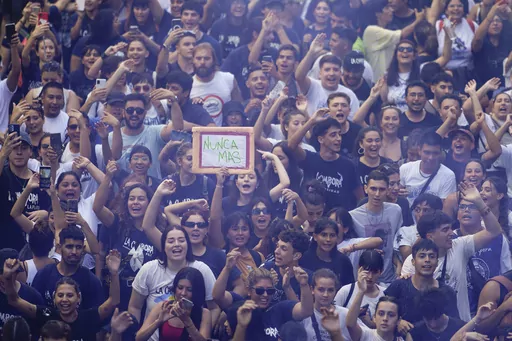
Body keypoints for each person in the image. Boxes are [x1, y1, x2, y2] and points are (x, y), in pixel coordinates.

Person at [400, 182, 504, 321]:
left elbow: (494, 231)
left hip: (460, 326)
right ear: (430, 236)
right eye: (445, 230)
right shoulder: (411, 262)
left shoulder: (459, 246)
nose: (451, 233)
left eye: (450, 228)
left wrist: (479, 202)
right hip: (427, 329)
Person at [3, 250, 120, 341]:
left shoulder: (88, 318)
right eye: (60, 295)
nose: (64, 300)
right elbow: (14, 300)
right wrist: (8, 277)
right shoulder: (46, 315)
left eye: (69, 295)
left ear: (78, 297)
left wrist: (114, 273)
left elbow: (113, 301)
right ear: (54, 297)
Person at [128, 225, 218, 341]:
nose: (176, 244)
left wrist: (202, 326)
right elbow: (135, 306)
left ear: (188, 245)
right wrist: (158, 321)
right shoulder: (149, 269)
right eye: (171, 241)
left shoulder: (202, 269)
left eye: (181, 240)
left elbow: (214, 307)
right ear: (163, 246)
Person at [93, 160, 161, 310]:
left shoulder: (157, 230)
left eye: (141, 199)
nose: (135, 203)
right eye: (132, 198)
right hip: (118, 292)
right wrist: (108, 177)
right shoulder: (118, 223)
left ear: (150, 203)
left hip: (146, 297)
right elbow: (97, 208)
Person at [288, 110, 363, 211]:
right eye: (333, 135)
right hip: (311, 218)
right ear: (321, 139)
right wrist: (311, 122)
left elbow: (360, 198)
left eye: (339, 134)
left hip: (337, 222)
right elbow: (291, 145)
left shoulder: (348, 165)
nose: (339, 138)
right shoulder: (310, 158)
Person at [385, 239, 459, 330]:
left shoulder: (447, 292)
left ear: (437, 262)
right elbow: (380, 316)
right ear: (413, 261)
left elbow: (454, 326)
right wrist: (397, 322)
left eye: (431, 256)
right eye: (422, 256)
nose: (427, 260)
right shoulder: (399, 286)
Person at [110, 92, 184, 180]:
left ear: (145, 114)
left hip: (152, 190)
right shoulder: (112, 136)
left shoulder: (155, 131)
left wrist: (174, 100)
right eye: (130, 110)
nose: (134, 114)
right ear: (123, 113)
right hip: (122, 191)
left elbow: (177, 129)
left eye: (139, 111)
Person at [227, 267, 313, 341]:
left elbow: (306, 311)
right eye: (260, 291)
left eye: (270, 291)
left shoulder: (279, 309)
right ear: (249, 290)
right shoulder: (239, 310)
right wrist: (241, 326)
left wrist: (304, 285)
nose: (265, 295)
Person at [349, 170, 403, 284]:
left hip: (390, 278)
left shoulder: (396, 210)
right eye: (373, 189)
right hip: (365, 278)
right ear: (365, 189)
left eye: (382, 189)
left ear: (388, 190)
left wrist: (399, 264)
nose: (377, 194)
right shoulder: (353, 216)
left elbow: (395, 244)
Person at [31, 226, 103, 310]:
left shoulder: (91, 281)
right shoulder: (44, 275)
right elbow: (34, 309)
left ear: (83, 249)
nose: (74, 252)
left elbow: (97, 316)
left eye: (78, 247)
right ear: (60, 247)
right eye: (69, 247)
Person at [0, 133, 50, 251]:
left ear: (30, 152)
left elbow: (54, 208)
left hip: (35, 249)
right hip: (6, 245)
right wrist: (2, 155)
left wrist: (47, 214)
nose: (19, 152)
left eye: (23, 148)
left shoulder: (39, 178)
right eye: (14, 148)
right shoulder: (3, 175)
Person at [136, 267, 212, 341]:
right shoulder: (163, 307)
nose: (183, 293)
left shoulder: (204, 314)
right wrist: (158, 322)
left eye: (189, 290)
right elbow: (138, 338)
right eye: (180, 287)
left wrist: (187, 322)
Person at [295, 34, 359, 118]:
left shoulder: (349, 95)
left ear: (341, 73)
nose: (331, 73)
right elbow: (299, 76)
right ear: (320, 73)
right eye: (327, 70)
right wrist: (311, 53)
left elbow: (353, 121)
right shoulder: (313, 86)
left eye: (335, 70)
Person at [362, 0, 425, 79]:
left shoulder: (386, 29)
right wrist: (418, 20)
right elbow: (402, 34)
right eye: (387, 8)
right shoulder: (371, 30)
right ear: (377, 14)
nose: (391, 10)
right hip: (378, 82)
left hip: (390, 81)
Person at [303, 268, 367, 341]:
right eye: (321, 289)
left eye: (330, 290)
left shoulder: (346, 315)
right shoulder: (304, 314)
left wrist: (361, 291)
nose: (325, 294)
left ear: (336, 291)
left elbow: (367, 336)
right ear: (312, 290)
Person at [190, 43, 242, 126]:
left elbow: (239, 106)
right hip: (199, 134)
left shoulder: (228, 79)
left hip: (225, 134)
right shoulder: (188, 85)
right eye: (198, 58)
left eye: (207, 58)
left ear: (214, 60)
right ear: (193, 60)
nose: (202, 62)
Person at [399, 131, 457, 206]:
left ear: (440, 153)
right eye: (427, 152)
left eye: (435, 153)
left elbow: (444, 207)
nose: (431, 157)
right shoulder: (405, 169)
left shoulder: (448, 176)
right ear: (419, 150)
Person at [334, 250, 386, 326]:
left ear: (381, 272)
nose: (370, 276)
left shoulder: (385, 293)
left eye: (375, 272)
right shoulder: (346, 291)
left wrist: (371, 324)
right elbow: (333, 318)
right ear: (359, 269)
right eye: (367, 271)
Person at [299, 218, 355, 287]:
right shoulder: (305, 258)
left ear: (337, 238)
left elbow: (349, 288)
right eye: (324, 235)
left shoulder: (343, 261)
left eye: (332, 235)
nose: (328, 239)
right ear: (315, 237)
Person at [261, 229, 311, 304]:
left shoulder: (307, 278)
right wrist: (268, 285)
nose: (276, 251)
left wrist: (287, 287)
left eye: (283, 248)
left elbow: (303, 312)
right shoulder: (266, 269)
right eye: (277, 246)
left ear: (296, 256)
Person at [0, 249, 44, 333]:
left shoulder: (32, 296)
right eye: (1, 272)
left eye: (9, 273)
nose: (4, 276)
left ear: (16, 273)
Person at [395, 193, 443, 261]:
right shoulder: (404, 231)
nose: (421, 214)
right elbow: (407, 257)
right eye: (417, 210)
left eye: (426, 210)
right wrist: (423, 234)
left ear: (436, 212)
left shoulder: (443, 232)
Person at [381, 40, 421, 112]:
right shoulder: (387, 75)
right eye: (401, 49)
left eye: (409, 49)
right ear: (396, 55)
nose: (405, 51)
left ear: (414, 55)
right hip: (394, 119)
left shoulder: (421, 74)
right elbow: (384, 100)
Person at [326, 92, 361, 159]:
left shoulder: (358, 131)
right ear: (328, 110)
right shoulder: (321, 131)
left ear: (349, 110)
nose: (339, 108)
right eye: (335, 105)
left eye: (344, 105)